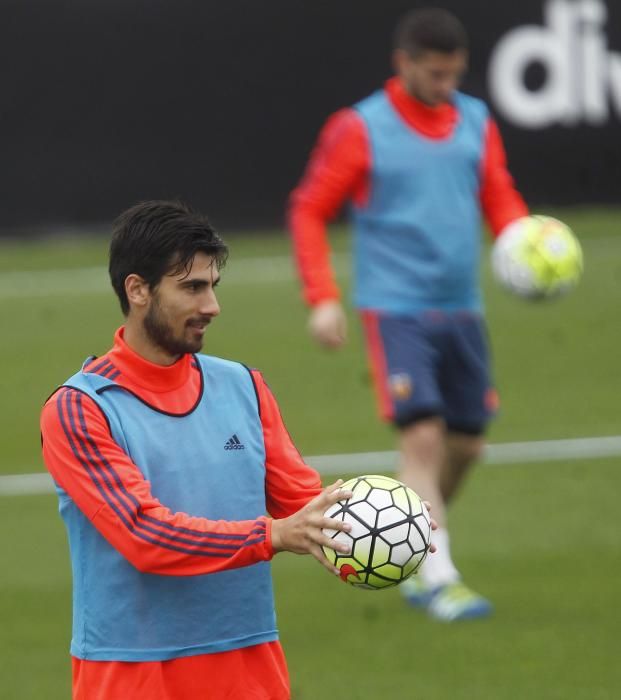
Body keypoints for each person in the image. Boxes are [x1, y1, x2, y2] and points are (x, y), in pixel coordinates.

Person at [40, 200, 357, 700]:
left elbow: (304, 502)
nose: (212, 306)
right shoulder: (80, 409)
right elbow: (144, 534)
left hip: (249, 663)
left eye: (212, 286)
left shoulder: (243, 386)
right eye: (192, 287)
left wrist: (387, 518)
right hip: (134, 672)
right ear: (138, 289)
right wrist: (271, 535)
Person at [288, 7, 529, 622]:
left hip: (462, 309)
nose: (446, 87)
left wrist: (524, 243)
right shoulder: (361, 127)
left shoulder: (475, 120)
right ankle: (439, 576)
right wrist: (322, 297)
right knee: (421, 437)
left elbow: (497, 194)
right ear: (404, 64)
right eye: (434, 75)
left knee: (467, 444)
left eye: (454, 75)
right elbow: (310, 208)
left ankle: (414, 548)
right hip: (396, 309)